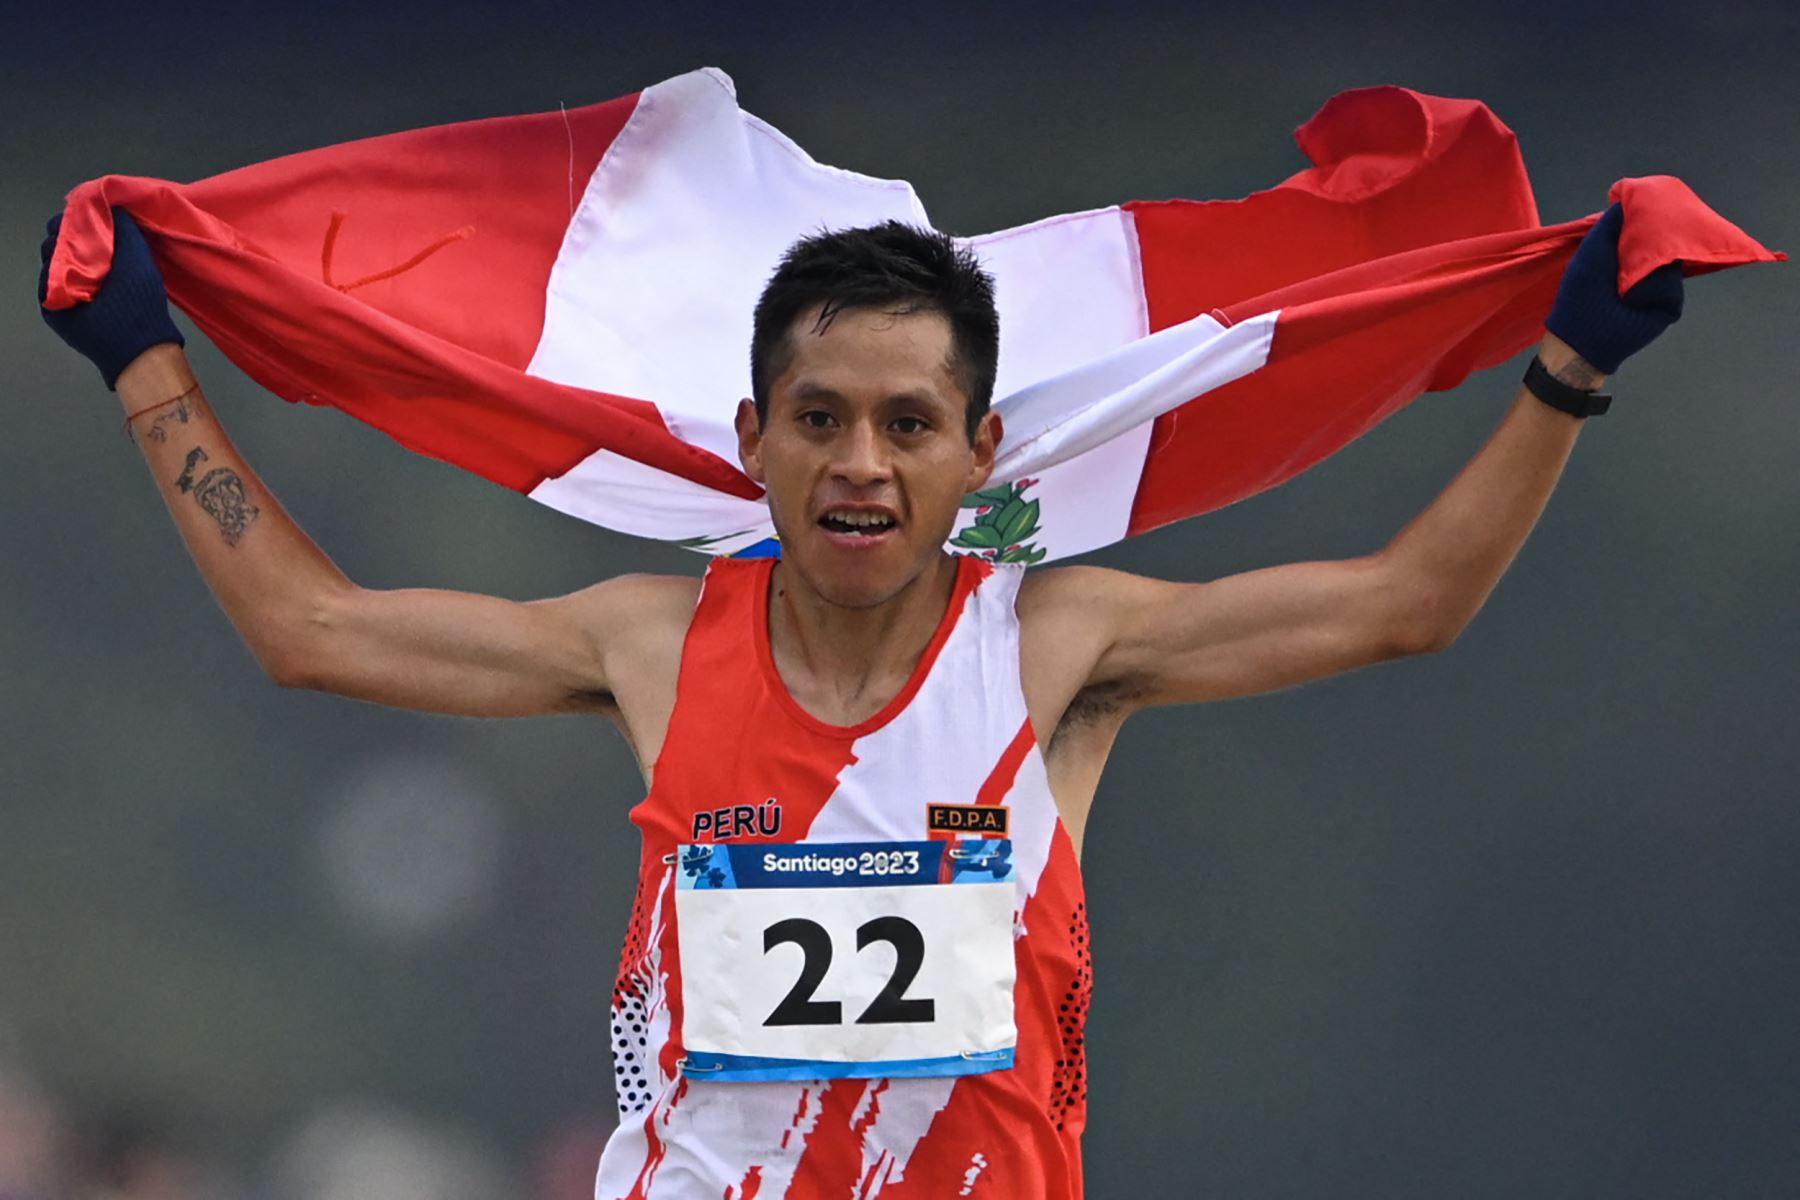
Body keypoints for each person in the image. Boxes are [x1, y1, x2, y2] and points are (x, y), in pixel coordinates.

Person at [38, 208, 1680, 1198]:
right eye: (820, 419)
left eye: (909, 423)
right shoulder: (658, 646)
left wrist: (1572, 367)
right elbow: (309, 629)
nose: (860, 465)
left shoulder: (1056, 648)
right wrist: (139, 356)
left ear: (978, 457)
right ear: (753, 437)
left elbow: (1409, 604)